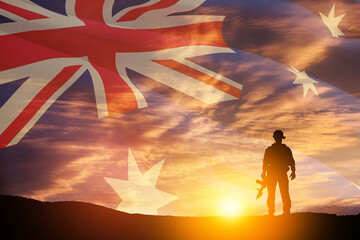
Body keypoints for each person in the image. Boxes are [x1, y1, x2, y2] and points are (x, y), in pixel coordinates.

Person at [261, 130, 296, 216]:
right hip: (275, 174)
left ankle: (284, 211)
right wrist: (263, 172)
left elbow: (291, 161)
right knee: (273, 193)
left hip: (277, 173)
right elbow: (265, 162)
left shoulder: (281, 150)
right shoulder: (275, 150)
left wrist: (293, 171)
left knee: (282, 192)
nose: (278, 139)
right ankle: (272, 211)